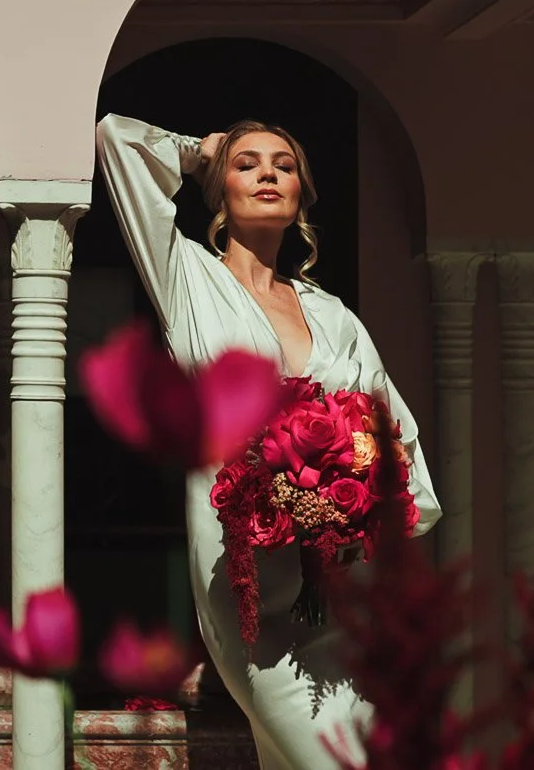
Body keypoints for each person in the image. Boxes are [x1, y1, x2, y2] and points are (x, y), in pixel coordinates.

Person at [94, 113, 442, 770]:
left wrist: (355, 512)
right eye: (247, 163)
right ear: (220, 191)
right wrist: (202, 152)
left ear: (302, 197)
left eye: (283, 165)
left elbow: (393, 438)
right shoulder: (188, 281)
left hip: (340, 581)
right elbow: (116, 139)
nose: (267, 174)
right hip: (246, 578)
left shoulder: (333, 315)